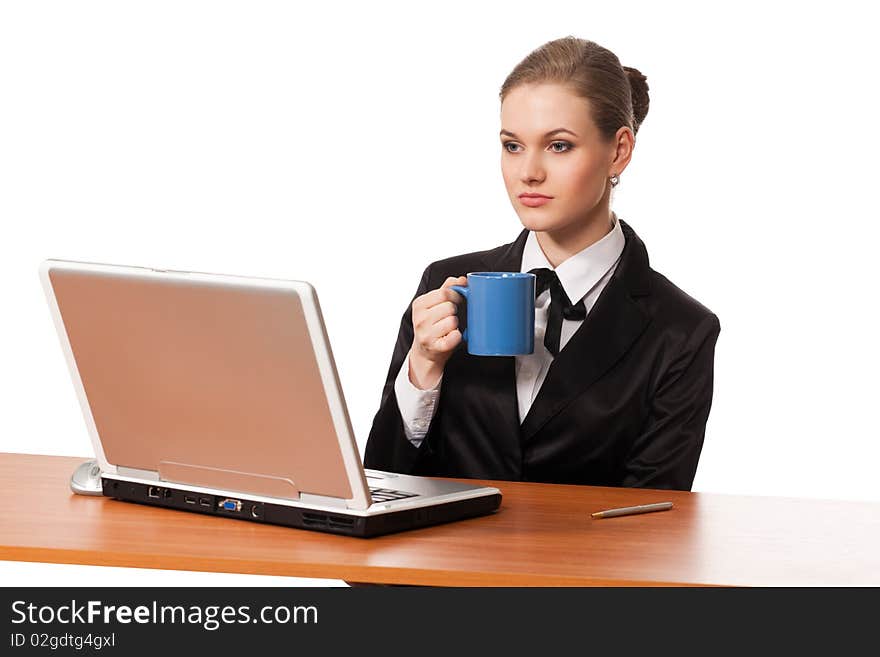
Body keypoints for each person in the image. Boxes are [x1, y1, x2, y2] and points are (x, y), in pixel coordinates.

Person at [363, 36, 721, 491]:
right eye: (513, 146)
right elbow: (379, 485)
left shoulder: (681, 330)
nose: (528, 172)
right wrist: (422, 370)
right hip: (447, 562)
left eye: (558, 146)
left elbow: (651, 522)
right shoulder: (443, 284)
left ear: (619, 151)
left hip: (586, 565)